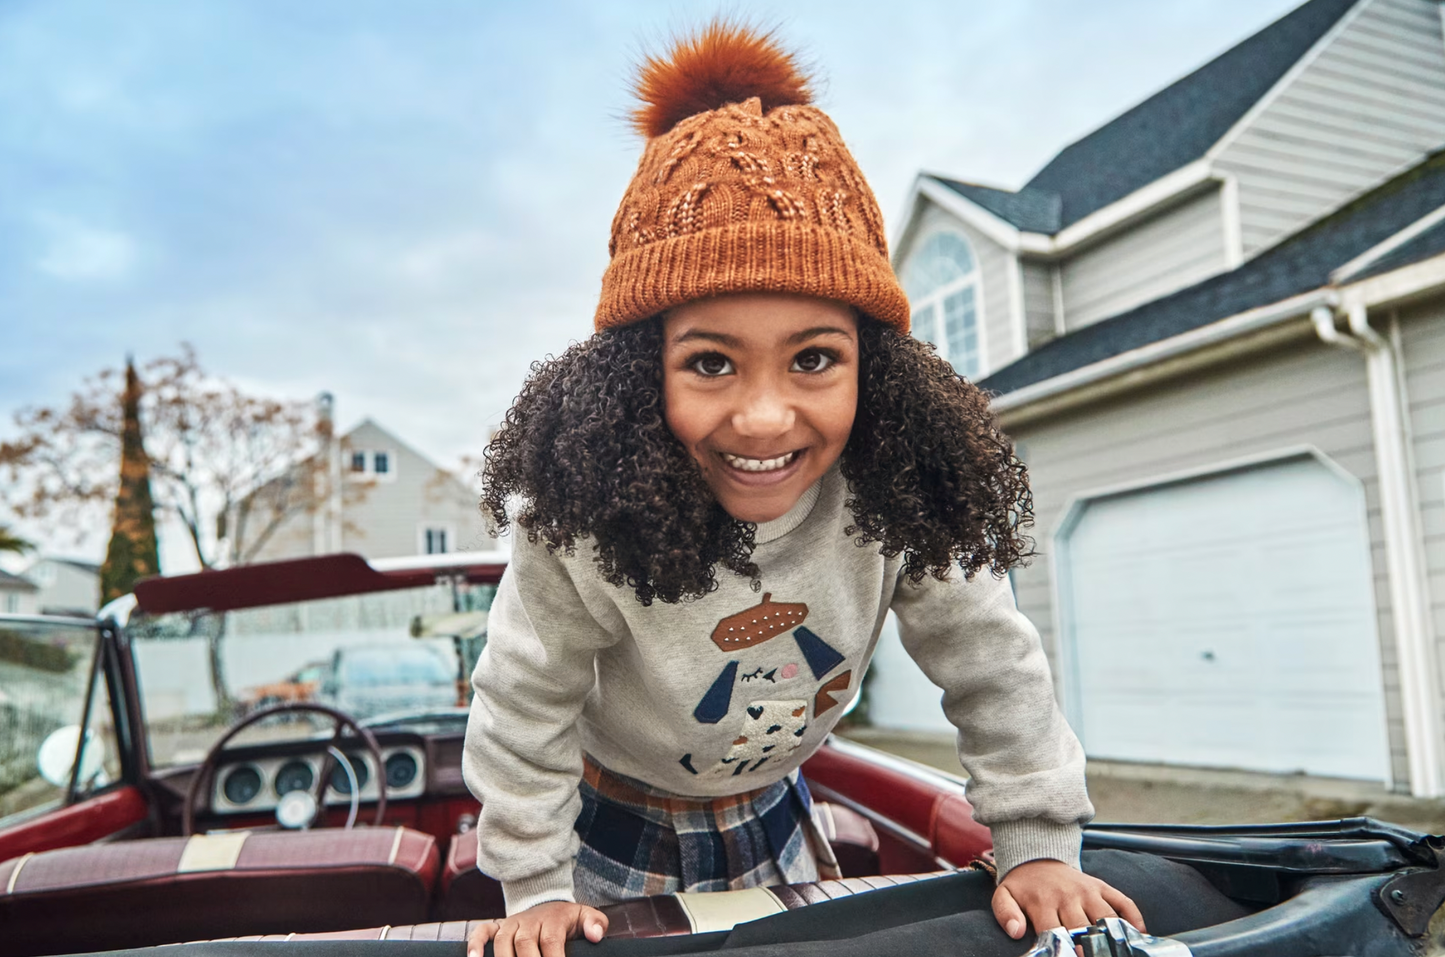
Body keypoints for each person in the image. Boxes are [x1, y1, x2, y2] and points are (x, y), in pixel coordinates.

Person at [464, 21, 1143, 957]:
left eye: (814, 358)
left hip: (779, 810)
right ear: (634, 375)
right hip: (603, 831)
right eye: (709, 362)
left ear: (879, 370)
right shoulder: (584, 521)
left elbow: (988, 657)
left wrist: (1032, 845)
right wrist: (532, 883)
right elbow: (522, 698)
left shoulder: (895, 491)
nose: (765, 419)